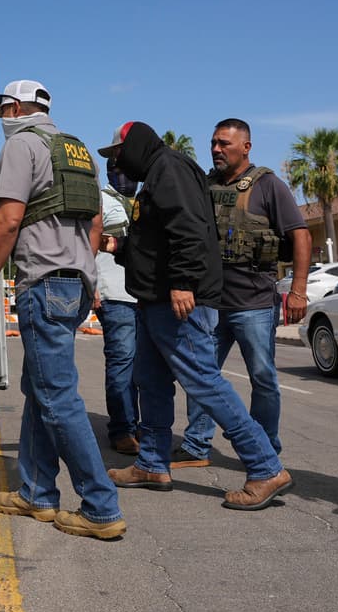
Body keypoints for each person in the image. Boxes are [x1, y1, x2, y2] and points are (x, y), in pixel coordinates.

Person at [99, 121, 292, 511]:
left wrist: (183, 282)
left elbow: (189, 229)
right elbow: (158, 237)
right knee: (150, 381)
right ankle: (152, 463)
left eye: (117, 153)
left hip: (178, 301)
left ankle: (265, 466)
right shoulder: (158, 173)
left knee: (203, 380)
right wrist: (117, 245)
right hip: (153, 301)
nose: (116, 162)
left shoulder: (167, 169)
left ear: (134, 146)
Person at [0, 80, 126, 540]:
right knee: (39, 388)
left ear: (16, 107)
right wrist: (85, 272)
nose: (4, 123)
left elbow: (9, 219)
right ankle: (36, 492)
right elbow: (97, 221)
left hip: (45, 282)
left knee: (58, 396)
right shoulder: (77, 150)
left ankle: (100, 506)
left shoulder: (22, 145)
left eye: (4, 114)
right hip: (77, 282)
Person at [172, 118, 312, 469]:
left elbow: (301, 235)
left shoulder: (268, 186)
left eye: (225, 144)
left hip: (254, 302)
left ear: (246, 147)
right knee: (202, 375)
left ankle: (264, 447)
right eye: (214, 143)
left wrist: (298, 291)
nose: (217, 150)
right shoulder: (204, 185)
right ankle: (195, 445)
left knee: (262, 378)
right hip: (210, 303)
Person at [95, 158, 141, 455]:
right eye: (119, 171)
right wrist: (93, 286)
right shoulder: (99, 199)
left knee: (142, 369)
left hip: (144, 296)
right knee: (122, 364)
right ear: (111, 172)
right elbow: (86, 239)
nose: (125, 177)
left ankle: (139, 426)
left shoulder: (143, 201)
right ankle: (122, 429)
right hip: (115, 295)